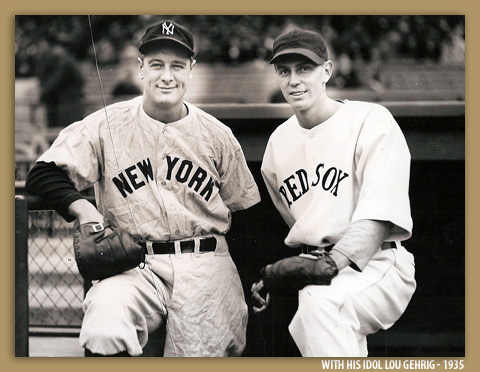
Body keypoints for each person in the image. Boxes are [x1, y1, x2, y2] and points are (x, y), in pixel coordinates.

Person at [25, 20, 261, 357]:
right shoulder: (105, 124)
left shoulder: (218, 135)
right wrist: (85, 209)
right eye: (157, 65)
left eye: (177, 65)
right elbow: (43, 174)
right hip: (135, 266)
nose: (167, 76)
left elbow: (247, 213)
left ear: (191, 69)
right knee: (105, 324)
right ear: (140, 68)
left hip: (206, 265)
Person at [251, 28, 416, 357]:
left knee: (319, 306)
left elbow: (377, 222)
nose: (294, 80)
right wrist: (287, 274)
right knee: (328, 322)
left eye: (305, 68)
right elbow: (303, 227)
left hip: (378, 263)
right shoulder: (277, 146)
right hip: (321, 270)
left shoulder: (371, 120)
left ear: (326, 71)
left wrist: (325, 266)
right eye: (284, 71)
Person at [35, 38, 85, 128]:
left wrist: (40, 95)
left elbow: (55, 81)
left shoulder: (65, 62)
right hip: (71, 102)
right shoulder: (69, 60)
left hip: (69, 104)